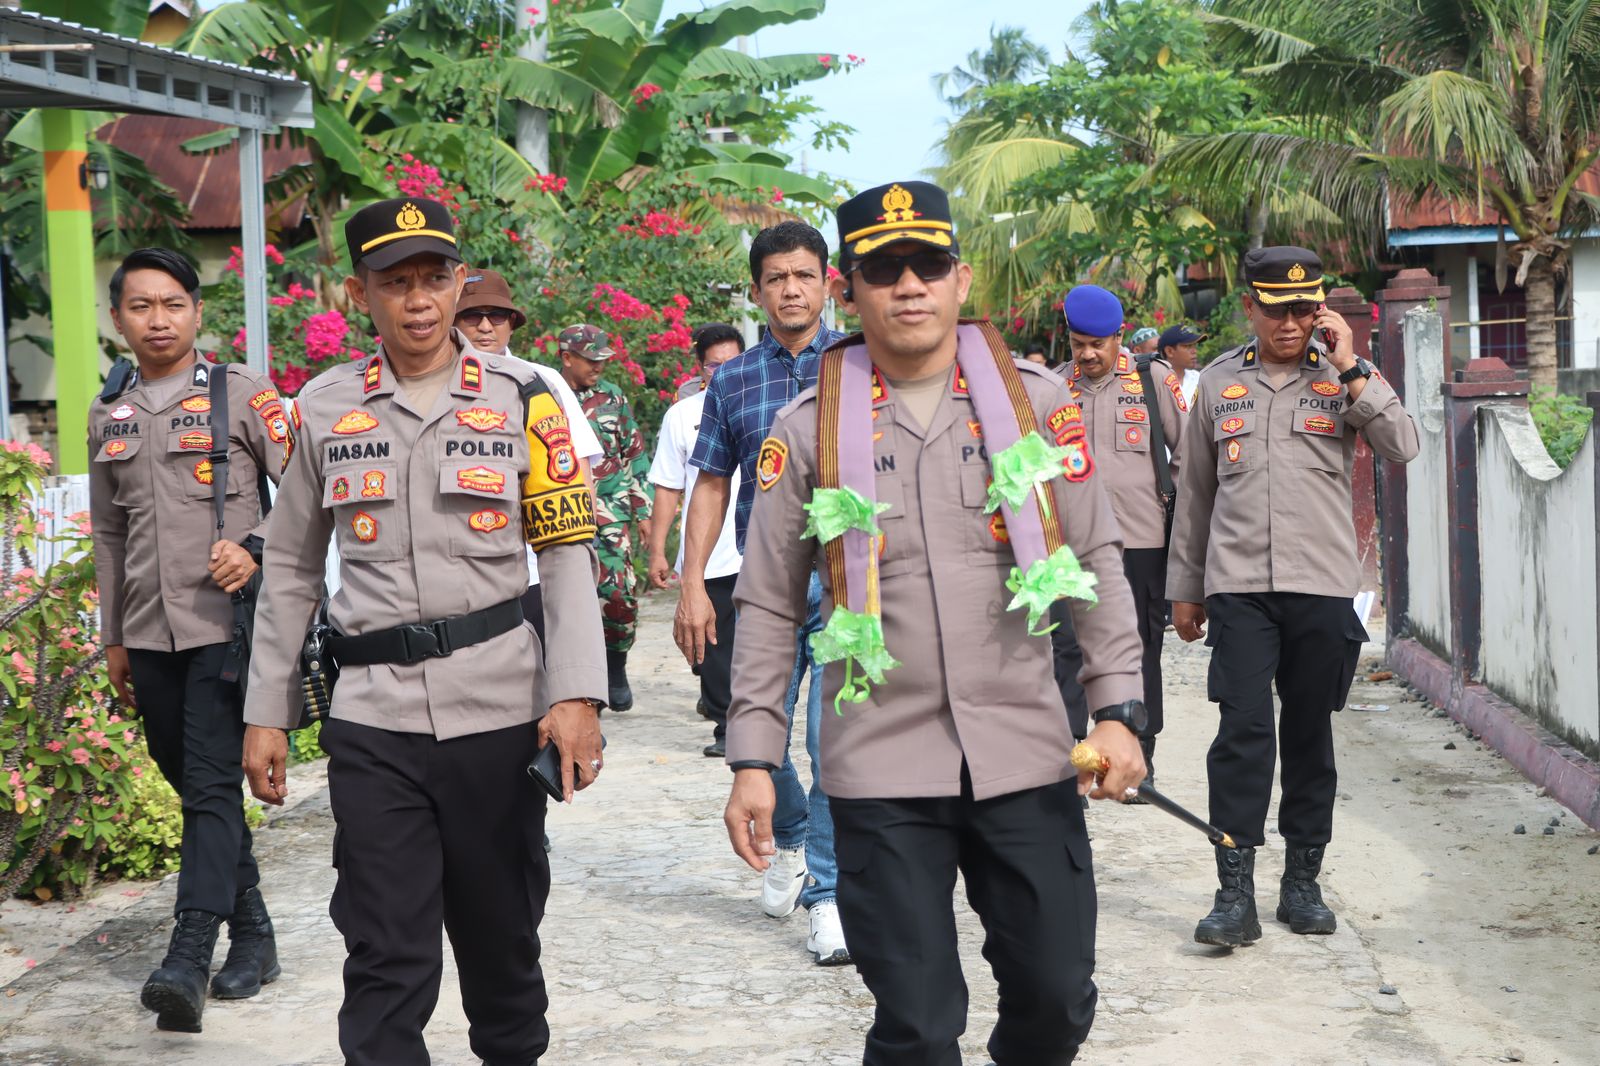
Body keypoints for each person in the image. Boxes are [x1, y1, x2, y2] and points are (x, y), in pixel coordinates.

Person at [724, 180, 1148, 1065]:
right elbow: (765, 601)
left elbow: (1096, 560)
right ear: (853, 289)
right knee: (916, 1026)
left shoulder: (1033, 404)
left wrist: (1116, 710)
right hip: (881, 763)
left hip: (1024, 748)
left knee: (1059, 999)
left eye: (927, 265)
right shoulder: (808, 432)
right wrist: (755, 759)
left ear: (960, 280)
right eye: (885, 269)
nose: (908, 285)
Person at [240, 197, 607, 1066]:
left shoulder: (526, 399)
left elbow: (563, 557)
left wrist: (577, 696)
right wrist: (267, 709)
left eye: (434, 279)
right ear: (358, 292)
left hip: (498, 709)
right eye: (394, 282)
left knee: (502, 947)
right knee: (384, 953)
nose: (419, 301)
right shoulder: (324, 407)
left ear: (456, 282)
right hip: (373, 719)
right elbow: (290, 565)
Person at [1167, 246, 1419, 949]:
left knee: (1309, 736)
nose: (1291, 322)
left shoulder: (1346, 379)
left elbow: (1403, 444)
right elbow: (1195, 495)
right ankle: (1233, 892)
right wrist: (1185, 591)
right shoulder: (1217, 385)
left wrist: (1350, 365)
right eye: (1277, 309)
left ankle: (1301, 882)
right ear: (1250, 306)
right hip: (1240, 590)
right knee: (1242, 734)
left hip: (1321, 588)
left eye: (1305, 309)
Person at [86, 247, 291, 1034]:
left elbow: (309, 490)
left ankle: (187, 955)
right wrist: (113, 639)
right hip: (146, 632)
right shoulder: (113, 413)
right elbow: (109, 533)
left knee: (208, 785)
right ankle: (257, 932)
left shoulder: (242, 394)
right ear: (119, 319)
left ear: (198, 313)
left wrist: (258, 546)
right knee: (191, 782)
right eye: (142, 307)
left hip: (223, 629)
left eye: (173, 304)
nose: (159, 319)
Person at [673, 220, 850, 964]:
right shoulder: (733, 380)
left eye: (804, 276)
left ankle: (829, 897)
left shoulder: (859, 365)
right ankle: (792, 837)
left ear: (827, 283)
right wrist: (691, 582)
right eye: (776, 278)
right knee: (759, 734)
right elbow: (712, 483)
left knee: (830, 739)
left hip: (847, 587)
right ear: (756, 291)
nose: (791, 289)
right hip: (767, 587)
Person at [1059, 284, 1186, 792]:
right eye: (1077, 344)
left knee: (1138, 648)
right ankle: (1071, 761)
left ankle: (1139, 757)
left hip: (1141, 541)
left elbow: (1192, 451)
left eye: (1097, 343)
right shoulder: (1053, 388)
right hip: (1070, 546)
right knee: (1067, 649)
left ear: (1118, 337)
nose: (1088, 354)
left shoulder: (1153, 381)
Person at [453, 267, 602, 647]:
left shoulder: (540, 381)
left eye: (496, 315)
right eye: (472, 315)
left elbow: (578, 469)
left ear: (512, 324)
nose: (485, 326)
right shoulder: (430, 385)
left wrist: (580, 557)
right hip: (455, 574)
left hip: (533, 569)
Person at [646, 323, 744, 757]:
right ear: (700, 369)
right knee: (715, 645)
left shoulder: (765, 403)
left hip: (759, 547)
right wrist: (658, 552)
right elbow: (668, 487)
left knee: (755, 643)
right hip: (709, 554)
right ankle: (727, 725)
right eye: (714, 366)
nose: (723, 373)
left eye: (733, 364)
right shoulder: (683, 417)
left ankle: (749, 721)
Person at [558, 324, 652, 711]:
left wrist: (643, 511)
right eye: (590, 360)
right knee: (566, 601)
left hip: (610, 511)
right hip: (562, 512)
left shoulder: (612, 397)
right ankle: (576, 683)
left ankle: (616, 664)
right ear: (567, 358)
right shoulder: (545, 393)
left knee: (619, 594)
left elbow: (634, 453)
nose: (598, 367)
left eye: (602, 360)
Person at [1158, 324, 1205, 410]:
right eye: (1188, 346)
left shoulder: (1198, 378)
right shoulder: (1157, 381)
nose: (1194, 351)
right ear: (1169, 351)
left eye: (1195, 346)